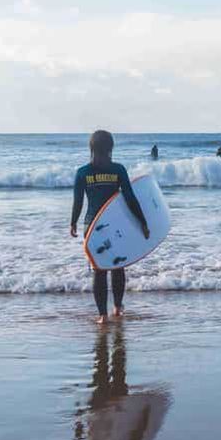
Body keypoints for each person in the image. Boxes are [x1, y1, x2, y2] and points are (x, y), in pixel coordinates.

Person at [70, 130, 150, 324]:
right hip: (115, 224)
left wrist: (73, 222)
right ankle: (117, 307)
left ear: (91, 148)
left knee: (99, 269)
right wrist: (143, 222)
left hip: (92, 225)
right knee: (118, 265)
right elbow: (130, 199)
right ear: (110, 148)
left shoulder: (82, 173)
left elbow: (78, 202)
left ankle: (102, 316)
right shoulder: (118, 170)